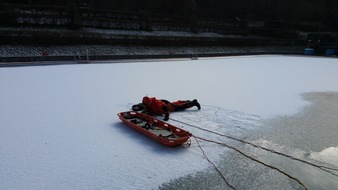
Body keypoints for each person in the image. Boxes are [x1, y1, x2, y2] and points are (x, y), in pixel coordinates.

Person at [132, 96, 201, 121]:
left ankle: (193, 103)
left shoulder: (158, 105)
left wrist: (166, 116)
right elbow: (142, 106)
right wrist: (136, 107)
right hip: (164, 102)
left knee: (179, 107)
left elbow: (166, 109)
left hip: (167, 106)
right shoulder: (146, 102)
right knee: (176, 103)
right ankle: (188, 101)